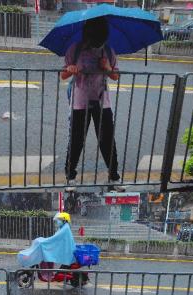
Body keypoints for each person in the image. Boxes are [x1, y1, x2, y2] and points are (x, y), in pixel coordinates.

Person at [60, 17, 123, 190]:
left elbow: (116, 76)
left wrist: (108, 68)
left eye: (100, 39)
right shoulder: (76, 49)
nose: (97, 43)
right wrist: (70, 69)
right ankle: (70, 177)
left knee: (107, 141)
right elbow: (63, 75)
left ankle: (114, 177)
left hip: (103, 103)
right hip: (80, 102)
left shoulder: (109, 51)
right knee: (77, 140)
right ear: (87, 35)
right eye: (94, 39)